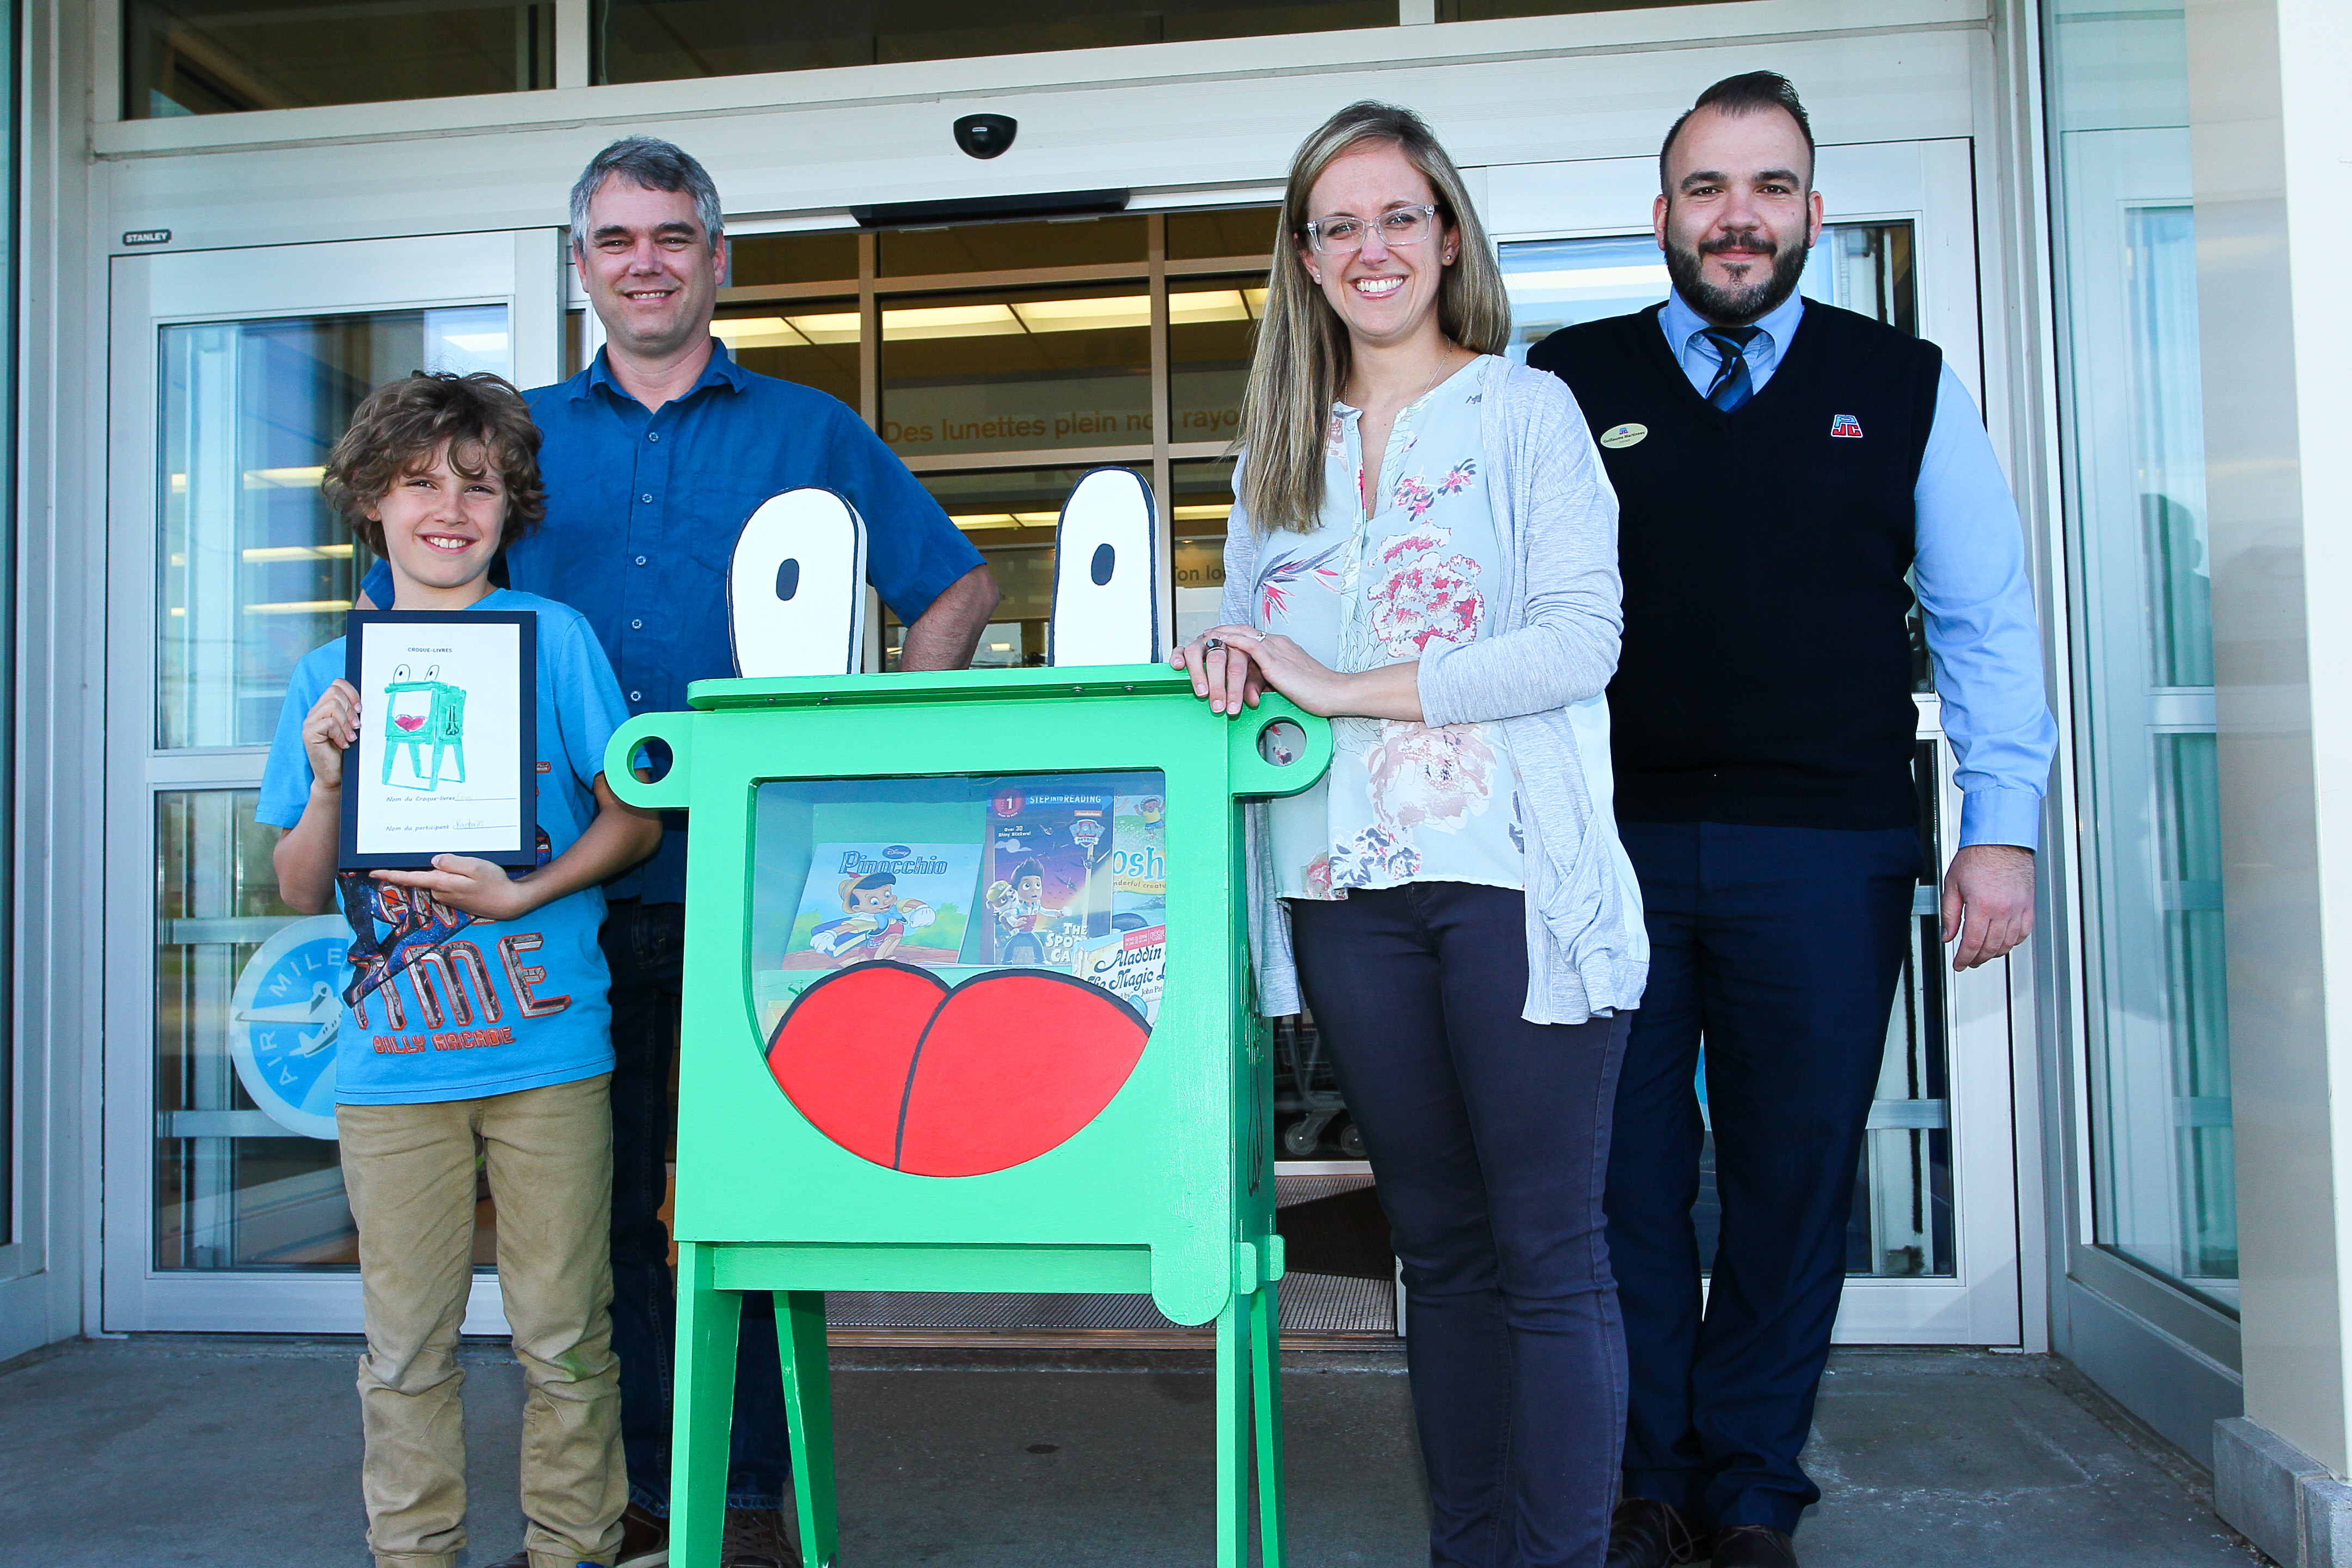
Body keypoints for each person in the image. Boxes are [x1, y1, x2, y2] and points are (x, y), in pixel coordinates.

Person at [360, 136, 999, 1568]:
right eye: (614, 240)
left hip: (763, 894)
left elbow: (956, 582)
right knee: (607, 1221)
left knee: (751, 1209)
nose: (643, 262)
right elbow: (416, 627)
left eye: (671, 236)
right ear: (580, 266)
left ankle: (760, 1499)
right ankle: (651, 1491)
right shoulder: (514, 443)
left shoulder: (807, 432)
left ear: (719, 258)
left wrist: (872, 744)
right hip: (562, 904)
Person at [1525, 73, 2059, 1568]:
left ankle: (1752, 1486)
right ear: (1663, 216)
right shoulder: (1569, 380)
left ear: (1813, 213)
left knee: (1790, 1180)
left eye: (1769, 187)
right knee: (1619, 1187)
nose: (1738, 216)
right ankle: (1640, 1482)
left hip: (1825, 850)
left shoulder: (1903, 384)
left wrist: (1998, 825)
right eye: (1708, 188)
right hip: (1604, 855)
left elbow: (1985, 620)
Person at [1175, 101, 1647, 1567]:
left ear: (1446, 235)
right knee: (1434, 1259)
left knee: (1550, 1257)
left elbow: (1583, 641)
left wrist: (1345, 684)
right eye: (1340, 226)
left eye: (1399, 216)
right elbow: (1261, 646)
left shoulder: (1526, 410)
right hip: (1342, 888)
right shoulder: (1279, 457)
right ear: (1305, 262)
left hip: (1509, 878)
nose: (1372, 247)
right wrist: (1230, 654)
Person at [262, 372, 665, 1568]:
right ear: (371, 504)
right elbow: (297, 885)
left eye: (478, 485)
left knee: (566, 1338)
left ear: (512, 506)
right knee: (405, 1349)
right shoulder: (327, 674)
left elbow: (634, 818)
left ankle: (574, 1550)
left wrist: (524, 891)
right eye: (420, 483)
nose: (451, 508)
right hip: (390, 1069)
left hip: (546, 1053)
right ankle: (416, 1554)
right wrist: (330, 776)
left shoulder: (555, 640)